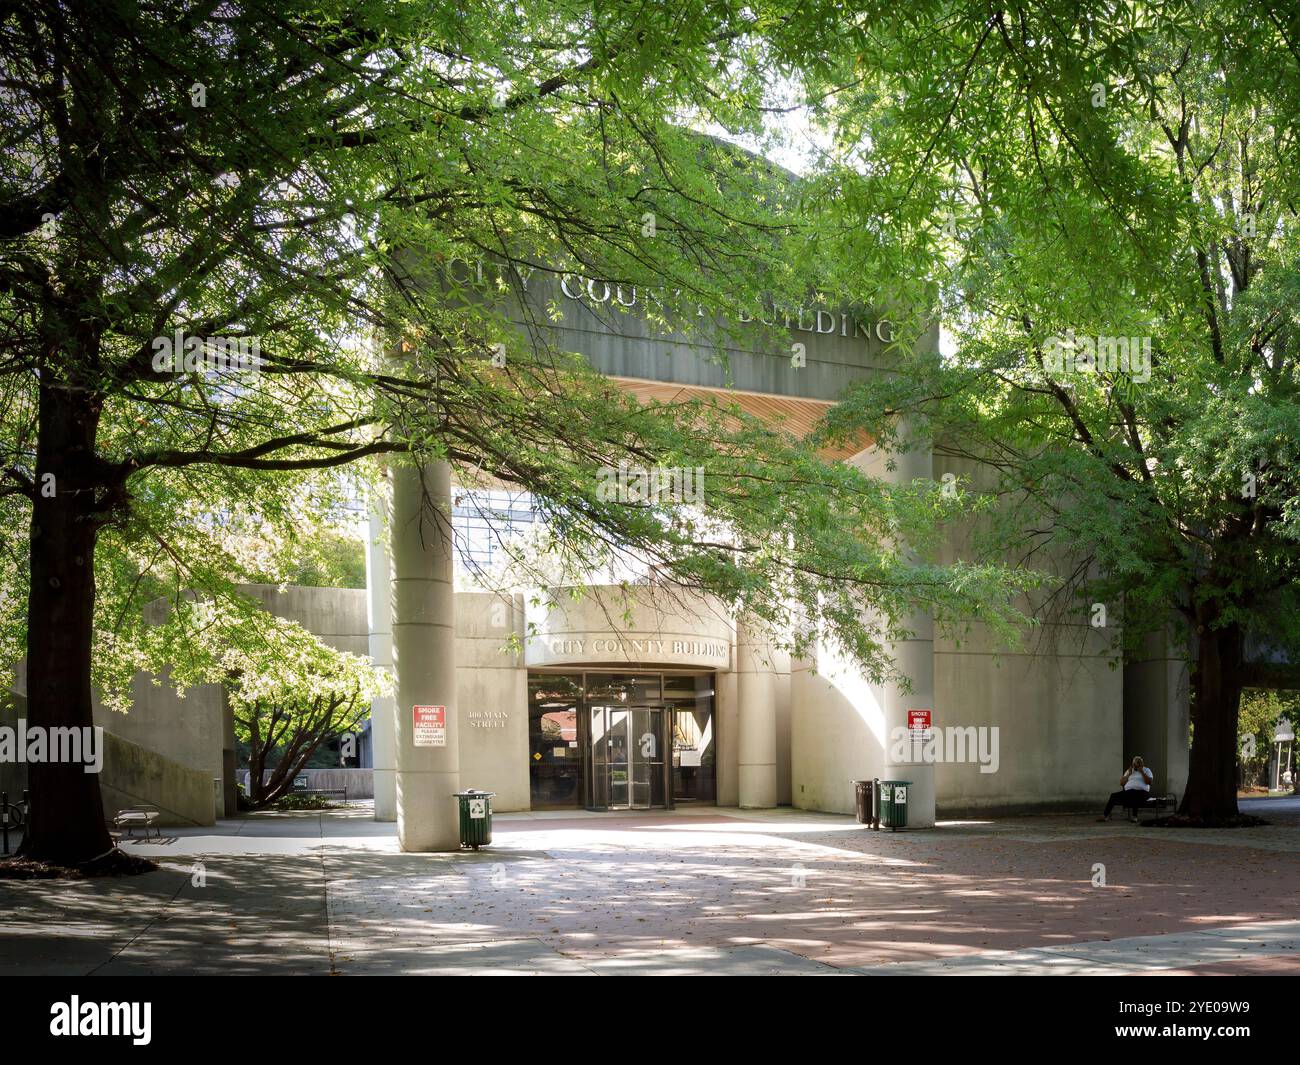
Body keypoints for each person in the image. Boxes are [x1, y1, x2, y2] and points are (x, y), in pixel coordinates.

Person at [1098, 756, 1153, 823]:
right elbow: (1122, 783)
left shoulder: (1147, 770)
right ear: (1133, 764)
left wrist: (1142, 772)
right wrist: (1128, 774)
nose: (1137, 765)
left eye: (1139, 763)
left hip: (1142, 793)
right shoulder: (1129, 771)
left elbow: (1149, 782)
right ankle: (1105, 816)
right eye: (1135, 764)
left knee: (1134, 794)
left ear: (1142, 764)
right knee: (1113, 795)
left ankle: (1134, 817)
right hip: (1128, 792)